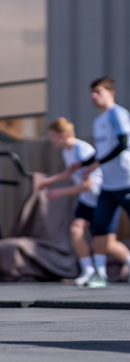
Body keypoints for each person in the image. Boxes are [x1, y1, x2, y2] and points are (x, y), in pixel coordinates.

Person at [37, 117, 105, 286]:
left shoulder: (83, 150)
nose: (51, 140)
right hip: (87, 199)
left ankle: (124, 262)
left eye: (52, 136)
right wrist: (50, 181)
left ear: (63, 135)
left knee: (106, 242)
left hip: (100, 198)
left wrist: (59, 192)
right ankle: (88, 270)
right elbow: (69, 173)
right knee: (76, 229)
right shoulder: (67, 151)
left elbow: (87, 185)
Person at [76, 77, 130, 287]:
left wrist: (95, 164)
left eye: (98, 91)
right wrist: (83, 164)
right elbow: (101, 152)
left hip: (126, 181)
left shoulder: (118, 114)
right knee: (100, 227)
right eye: (92, 92)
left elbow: (123, 144)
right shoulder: (98, 121)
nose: (94, 96)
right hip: (108, 186)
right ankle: (100, 273)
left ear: (111, 93)